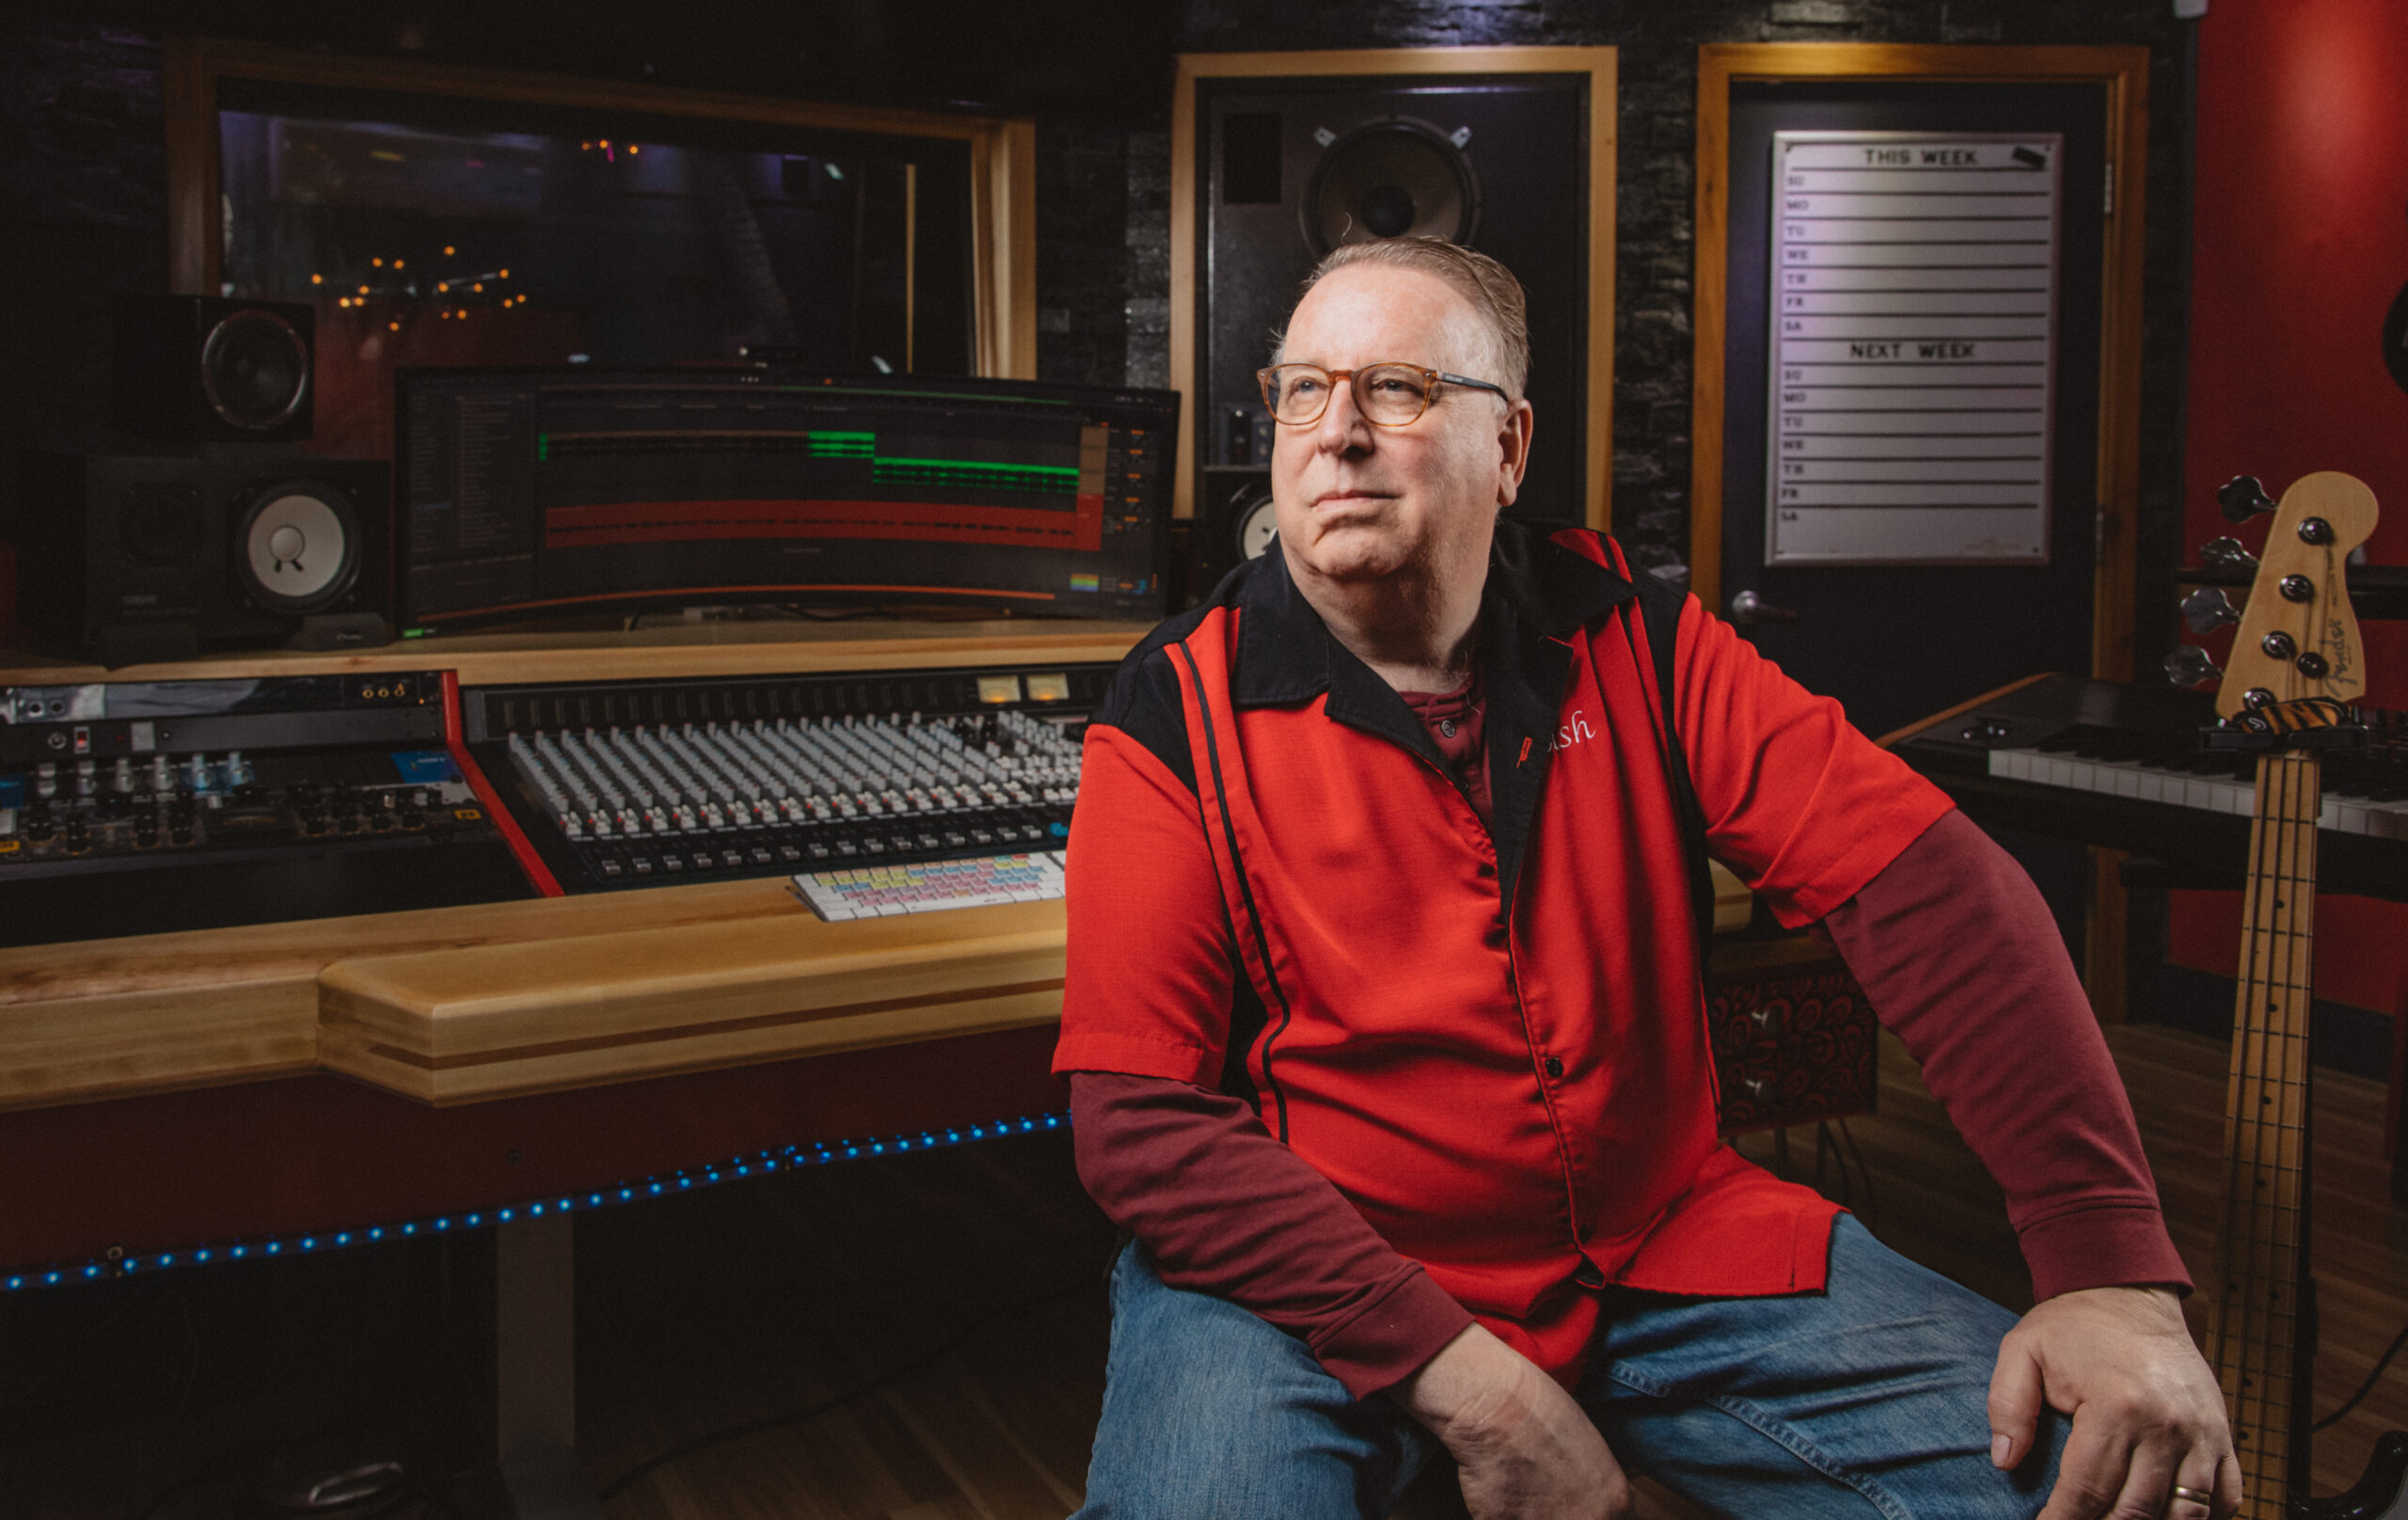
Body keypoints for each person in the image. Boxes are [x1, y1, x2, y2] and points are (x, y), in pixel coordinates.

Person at [1053, 236, 2235, 1519]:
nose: (1335, 433)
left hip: (1666, 1246)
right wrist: (1483, 1393)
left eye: (1395, 388)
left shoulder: (1640, 637)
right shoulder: (1172, 707)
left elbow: (1940, 897)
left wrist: (2108, 1264)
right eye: (1301, 389)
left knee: (2109, 1493)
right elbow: (1142, 1126)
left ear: (1507, 449)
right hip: (1305, 1282)